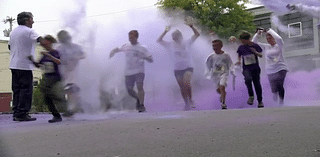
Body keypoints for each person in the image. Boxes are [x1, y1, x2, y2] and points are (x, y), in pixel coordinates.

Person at [8, 12, 45, 121]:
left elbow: (10, 46)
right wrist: (50, 45)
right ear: (27, 20)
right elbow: (40, 40)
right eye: (31, 19)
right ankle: (22, 113)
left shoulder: (13, 32)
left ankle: (16, 113)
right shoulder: (29, 31)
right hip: (24, 65)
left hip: (14, 64)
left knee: (17, 89)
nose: (33, 21)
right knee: (26, 89)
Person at [157, 23, 200, 111]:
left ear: (180, 36)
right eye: (173, 36)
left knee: (186, 83)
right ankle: (186, 103)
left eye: (177, 36)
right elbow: (159, 40)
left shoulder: (187, 42)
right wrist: (165, 31)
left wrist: (192, 26)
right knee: (182, 87)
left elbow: (197, 35)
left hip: (188, 66)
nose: (175, 38)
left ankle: (191, 100)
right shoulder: (170, 45)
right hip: (177, 68)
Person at [109, 30, 153, 112]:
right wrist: (112, 52)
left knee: (140, 86)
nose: (130, 39)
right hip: (128, 72)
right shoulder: (126, 46)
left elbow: (151, 59)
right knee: (129, 90)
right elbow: (118, 49)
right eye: (129, 37)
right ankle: (138, 99)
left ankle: (142, 106)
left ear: (136, 37)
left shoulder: (142, 48)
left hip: (139, 71)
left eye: (132, 37)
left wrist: (143, 56)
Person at [28, 35, 67, 123]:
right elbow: (38, 65)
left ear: (50, 42)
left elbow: (58, 61)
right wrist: (32, 60)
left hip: (56, 77)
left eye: (46, 42)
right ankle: (57, 114)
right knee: (46, 97)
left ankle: (60, 102)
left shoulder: (55, 52)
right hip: (47, 77)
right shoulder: (44, 55)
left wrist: (48, 55)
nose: (44, 45)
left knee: (45, 90)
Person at [252, 28, 289, 105]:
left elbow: (279, 38)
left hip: (281, 68)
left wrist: (269, 30)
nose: (269, 40)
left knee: (280, 84)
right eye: (267, 38)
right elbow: (253, 43)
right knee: (274, 88)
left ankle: (281, 101)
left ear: (273, 38)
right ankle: (275, 93)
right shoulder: (266, 47)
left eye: (270, 38)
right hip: (270, 70)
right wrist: (258, 34)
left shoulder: (279, 45)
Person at [56, 30, 86, 117]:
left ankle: (72, 108)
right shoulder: (59, 48)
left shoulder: (76, 47)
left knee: (72, 89)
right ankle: (72, 108)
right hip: (65, 71)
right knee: (68, 90)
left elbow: (84, 55)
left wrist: (76, 57)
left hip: (75, 71)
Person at [235, 32, 264, 108]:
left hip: (255, 68)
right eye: (241, 41)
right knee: (248, 80)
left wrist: (256, 53)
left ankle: (260, 101)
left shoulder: (255, 46)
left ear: (248, 39)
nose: (243, 42)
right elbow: (239, 55)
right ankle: (251, 96)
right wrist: (238, 61)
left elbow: (261, 55)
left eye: (244, 41)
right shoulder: (241, 47)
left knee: (256, 83)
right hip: (246, 68)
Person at [205, 40, 235, 110]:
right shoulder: (211, 56)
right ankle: (222, 94)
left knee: (222, 86)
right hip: (215, 75)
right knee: (218, 89)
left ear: (221, 46)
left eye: (216, 46)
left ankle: (223, 103)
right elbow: (207, 66)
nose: (215, 47)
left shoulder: (226, 55)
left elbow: (230, 64)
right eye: (213, 46)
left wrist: (232, 71)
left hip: (224, 73)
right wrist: (207, 74)